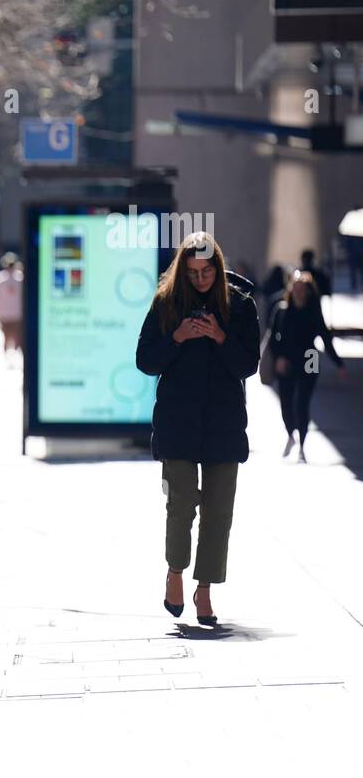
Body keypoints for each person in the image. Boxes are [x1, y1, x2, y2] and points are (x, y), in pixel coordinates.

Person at [135, 232, 259, 628]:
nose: (201, 279)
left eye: (207, 272)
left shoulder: (239, 306)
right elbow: (144, 360)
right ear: (181, 272)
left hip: (223, 424)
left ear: (218, 270)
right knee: (182, 502)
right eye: (193, 273)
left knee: (219, 511)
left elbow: (248, 365)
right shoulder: (166, 304)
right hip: (178, 422)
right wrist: (178, 337)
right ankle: (175, 571)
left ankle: (204, 588)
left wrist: (220, 337)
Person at [269, 270, 346, 463]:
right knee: (286, 401)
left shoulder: (313, 312)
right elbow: (273, 338)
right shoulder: (282, 310)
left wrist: (339, 364)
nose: (298, 292)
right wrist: (278, 358)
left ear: (308, 291)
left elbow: (325, 338)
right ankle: (290, 433)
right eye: (295, 287)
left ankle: (302, 443)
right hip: (286, 359)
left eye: (302, 288)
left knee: (303, 402)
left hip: (309, 358)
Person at [0, 253, 24, 356]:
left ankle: (8, 354)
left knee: (6, 335)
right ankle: (15, 354)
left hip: (4, 313)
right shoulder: (20, 278)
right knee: (17, 336)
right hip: (17, 313)